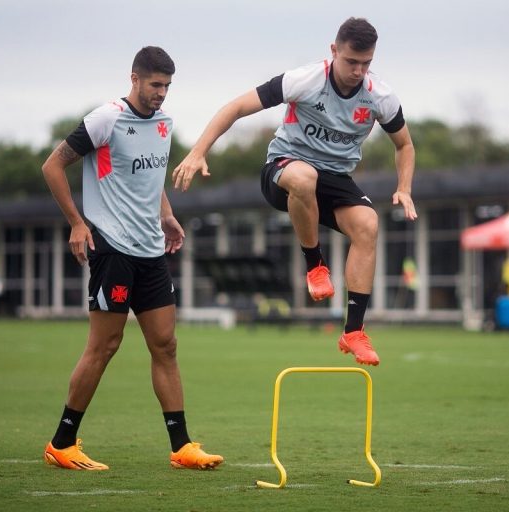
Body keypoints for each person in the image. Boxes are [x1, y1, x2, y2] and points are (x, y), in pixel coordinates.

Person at [173, 17, 417, 366]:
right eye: (351, 61)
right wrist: (198, 151)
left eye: (366, 63)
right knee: (304, 179)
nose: (358, 71)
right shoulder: (305, 80)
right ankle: (315, 265)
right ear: (334, 51)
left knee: (368, 224)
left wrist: (404, 187)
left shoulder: (381, 97)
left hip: (334, 177)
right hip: (285, 168)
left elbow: (405, 145)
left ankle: (354, 332)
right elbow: (236, 107)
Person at [41, 46, 223, 471]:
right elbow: (52, 166)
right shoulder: (106, 119)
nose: (161, 94)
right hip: (113, 249)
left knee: (166, 345)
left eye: (167, 87)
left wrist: (167, 216)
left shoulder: (163, 124)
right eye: (155, 84)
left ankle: (181, 447)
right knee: (105, 345)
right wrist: (77, 223)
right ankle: (61, 443)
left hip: (150, 251)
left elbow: (148, 176)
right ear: (135, 79)